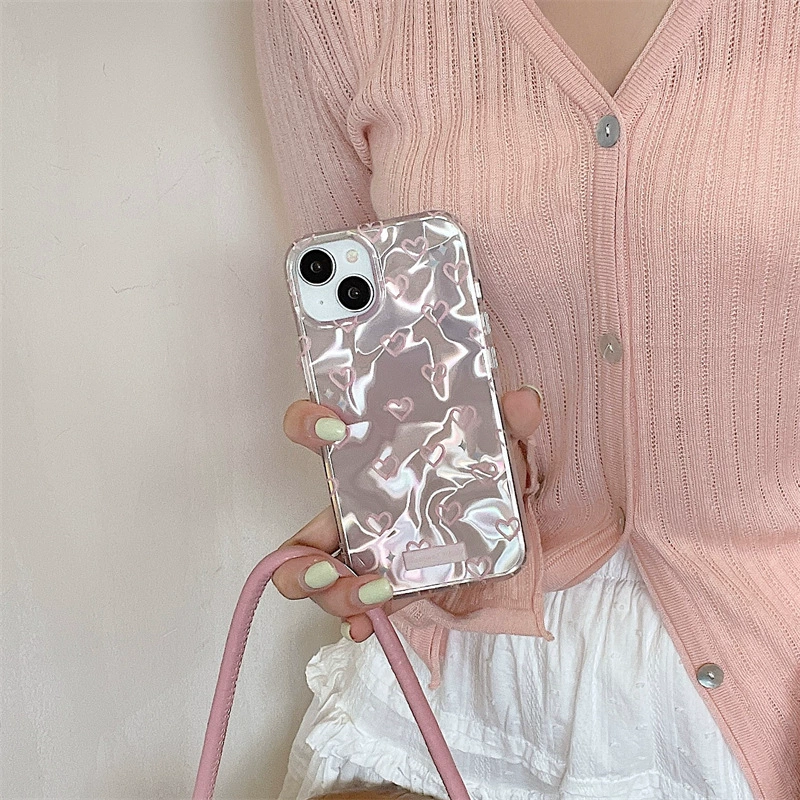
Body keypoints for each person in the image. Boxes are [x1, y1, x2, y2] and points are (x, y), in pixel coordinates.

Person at [252, 0, 800, 798]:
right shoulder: (334, 13)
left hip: (770, 671)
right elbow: (360, 334)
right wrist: (395, 489)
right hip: (459, 673)